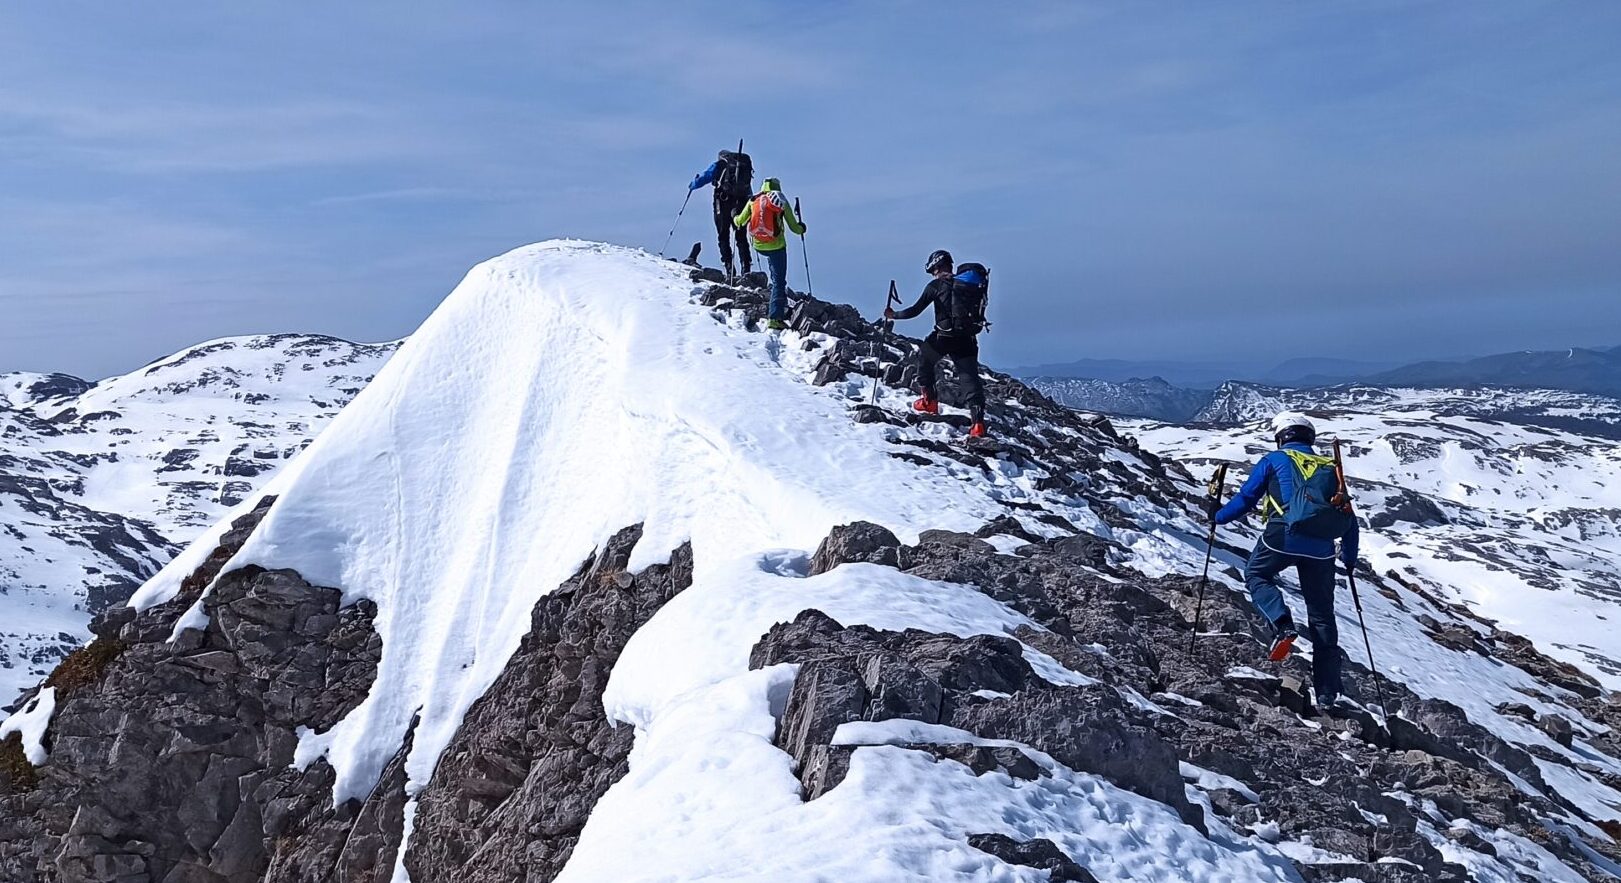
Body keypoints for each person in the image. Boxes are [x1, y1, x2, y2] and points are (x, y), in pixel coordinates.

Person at [1210, 412, 1361, 707]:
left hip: (1282, 536)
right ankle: (1327, 693)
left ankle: (1282, 624)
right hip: (1322, 548)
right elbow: (1349, 518)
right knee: (1322, 614)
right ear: (1310, 438)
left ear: (1281, 437)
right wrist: (1350, 560)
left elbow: (1245, 500)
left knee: (1256, 574)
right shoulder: (1331, 468)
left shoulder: (1274, 461)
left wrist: (1217, 517)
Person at [885, 249, 990, 438]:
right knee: (970, 380)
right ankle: (978, 424)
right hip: (966, 339)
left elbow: (915, 311)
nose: (933, 273)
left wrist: (894, 315)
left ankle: (930, 402)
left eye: (933, 269)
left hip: (943, 338)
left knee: (924, 359)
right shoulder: (968, 286)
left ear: (937, 266)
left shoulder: (935, 286)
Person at [732, 177, 805, 330]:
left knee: (775, 276)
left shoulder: (754, 200)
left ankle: (779, 307)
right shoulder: (780, 201)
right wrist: (802, 228)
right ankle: (775, 318)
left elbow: (739, 221)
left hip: (758, 245)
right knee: (778, 281)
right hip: (776, 246)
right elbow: (794, 228)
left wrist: (734, 215)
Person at [689, 149, 754, 279]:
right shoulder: (743, 167)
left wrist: (692, 185)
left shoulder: (719, 165)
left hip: (722, 201)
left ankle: (729, 268)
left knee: (723, 235)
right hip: (741, 203)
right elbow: (748, 190)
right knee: (741, 236)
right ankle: (746, 268)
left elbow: (704, 177)